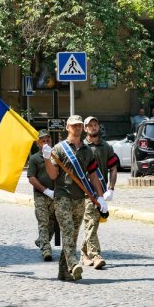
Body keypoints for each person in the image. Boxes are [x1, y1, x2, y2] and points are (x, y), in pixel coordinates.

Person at [42, 115, 108, 281]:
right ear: (67, 127)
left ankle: (63, 272)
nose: (77, 128)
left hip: (80, 198)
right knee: (67, 229)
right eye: (74, 125)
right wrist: (46, 159)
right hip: (62, 196)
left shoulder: (87, 150)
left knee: (72, 235)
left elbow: (93, 175)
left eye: (79, 125)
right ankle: (72, 263)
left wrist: (100, 197)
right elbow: (53, 175)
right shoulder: (58, 149)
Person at [81, 116, 119, 270]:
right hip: (86, 191)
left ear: (98, 126)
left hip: (101, 192)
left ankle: (84, 254)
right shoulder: (81, 146)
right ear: (85, 129)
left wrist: (111, 188)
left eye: (95, 124)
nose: (93, 127)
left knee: (93, 223)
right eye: (89, 125)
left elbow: (114, 167)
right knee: (91, 222)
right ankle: (95, 255)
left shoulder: (106, 146)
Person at [27, 129, 56, 262]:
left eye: (47, 140)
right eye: (42, 141)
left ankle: (41, 240)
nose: (45, 142)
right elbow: (31, 178)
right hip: (41, 195)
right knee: (43, 222)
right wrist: (45, 191)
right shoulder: (34, 158)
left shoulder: (56, 156)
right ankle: (46, 249)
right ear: (38, 143)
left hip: (56, 195)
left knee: (54, 223)